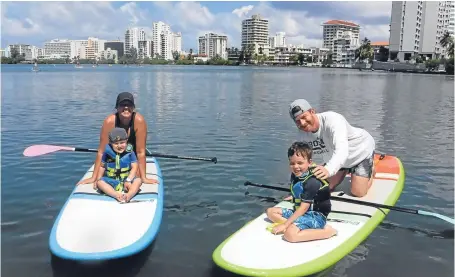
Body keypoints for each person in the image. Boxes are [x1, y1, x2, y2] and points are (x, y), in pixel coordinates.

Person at [288, 99, 376, 197]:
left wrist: (328, 169)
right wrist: (297, 182)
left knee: (358, 193)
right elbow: (304, 160)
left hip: (360, 152)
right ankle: (344, 169)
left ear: (312, 111)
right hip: (335, 158)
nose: (303, 123)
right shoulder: (302, 134)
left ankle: (371, 171)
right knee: (325, 187)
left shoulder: (333, 120)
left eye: (304, 117)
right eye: (298, 121)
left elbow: (342, 150)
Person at [78, 92, 159, 187]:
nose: (126, 107)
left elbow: (141, 152)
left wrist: (144, 178)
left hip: (131, 157)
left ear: (133, 108)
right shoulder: (109, 122)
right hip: (114, 157)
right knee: (105, 179)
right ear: (116, 107)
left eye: (129, 105)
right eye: (122, 105)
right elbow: (101, 151)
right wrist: (94, 177)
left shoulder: (139, 121)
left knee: (135, 178)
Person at [266, 142, 337, 243]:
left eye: (300, 163)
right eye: (292, 163)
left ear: (309, 162)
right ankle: (294, 225)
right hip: (298, 212)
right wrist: (294, 197)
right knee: (270, 212)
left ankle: (328, 232)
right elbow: (301, 190)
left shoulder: (312, 181)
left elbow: (304, 207)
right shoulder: (296, 175)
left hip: (315, 216)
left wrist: (285, 225)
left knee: (290, 235)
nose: (295, 167)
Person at [96, 128, 142, 202]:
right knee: (100, 182)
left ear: (126, 141)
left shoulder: (130, 152)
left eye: (122, 142)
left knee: (138, 180)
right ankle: (116, 195)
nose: (119, 146)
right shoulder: (107, 153)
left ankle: (129, 195)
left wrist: (128, 180)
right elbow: (102, 166)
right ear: (111, 143)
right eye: (116, 143)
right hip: (112, 181)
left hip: (127, 180)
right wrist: (98, 179)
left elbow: (135, 167)